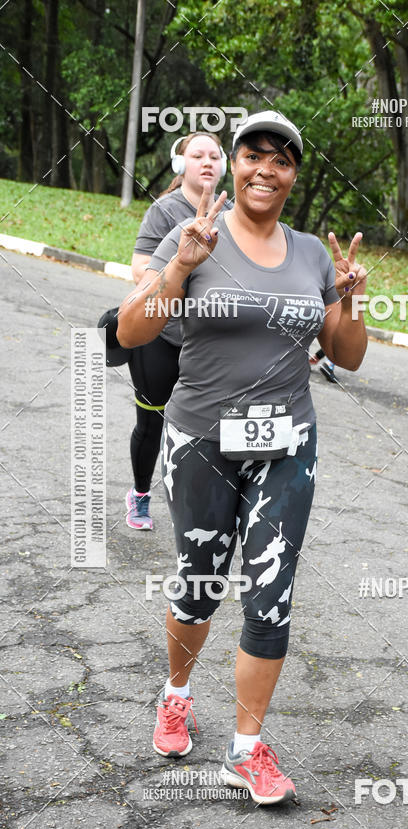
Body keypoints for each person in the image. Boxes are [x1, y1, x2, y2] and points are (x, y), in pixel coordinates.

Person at [117, 110, 368, 804]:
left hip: (287, 444)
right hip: (202, 438)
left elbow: (346, 356)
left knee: (270, 594)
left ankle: (246, 749)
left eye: (280, 159)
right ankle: (176, 693)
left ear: (293, 173)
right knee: (198, 585)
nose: (266, 168)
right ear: (235, 163)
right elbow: (135, 327)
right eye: (253, 155)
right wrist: (180, 264)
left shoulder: (313, 253)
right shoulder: (191, 233)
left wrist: (348, 304)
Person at [125, 132, 232, 530]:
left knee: (212, 428)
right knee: (152, 423)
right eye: (197, 155)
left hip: (209, 342)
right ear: (180, 165)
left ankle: (208, 508)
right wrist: (183, 272)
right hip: (161, 336)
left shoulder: (235, 212)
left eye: (214, 156)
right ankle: (139, 495)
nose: (207, 162)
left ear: (224, 166)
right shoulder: (164, 211)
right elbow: (139, 269)